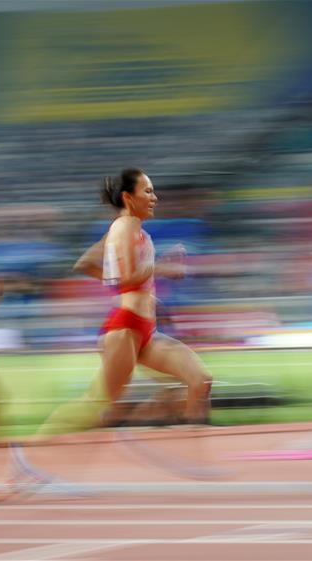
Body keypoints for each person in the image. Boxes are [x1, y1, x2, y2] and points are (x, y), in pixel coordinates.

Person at [37, 168, 212, 436]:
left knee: (200, 381)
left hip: (145, 330)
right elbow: (128, 278)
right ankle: (35, 447)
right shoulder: (125, 227)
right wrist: (161, 267)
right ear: (129, 198)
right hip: (125, 329)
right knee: (97, 404)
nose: (154, 197)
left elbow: (85, 264)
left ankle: (191, 444)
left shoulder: (127, 229)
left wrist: (131, 286)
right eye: (148, 191)